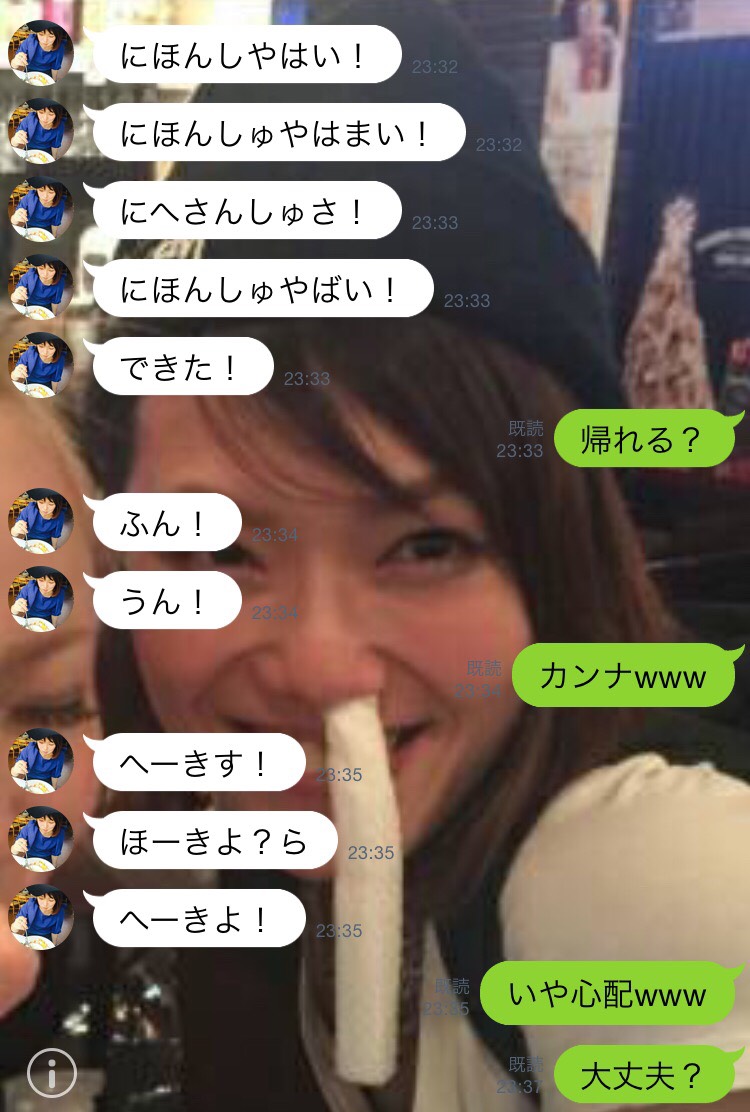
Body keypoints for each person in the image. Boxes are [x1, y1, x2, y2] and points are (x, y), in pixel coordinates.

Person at [85, 2, 750, 1108]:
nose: (319, 664)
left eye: (426, 544)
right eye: (217, 552)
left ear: (556, 557)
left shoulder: (636, 874)